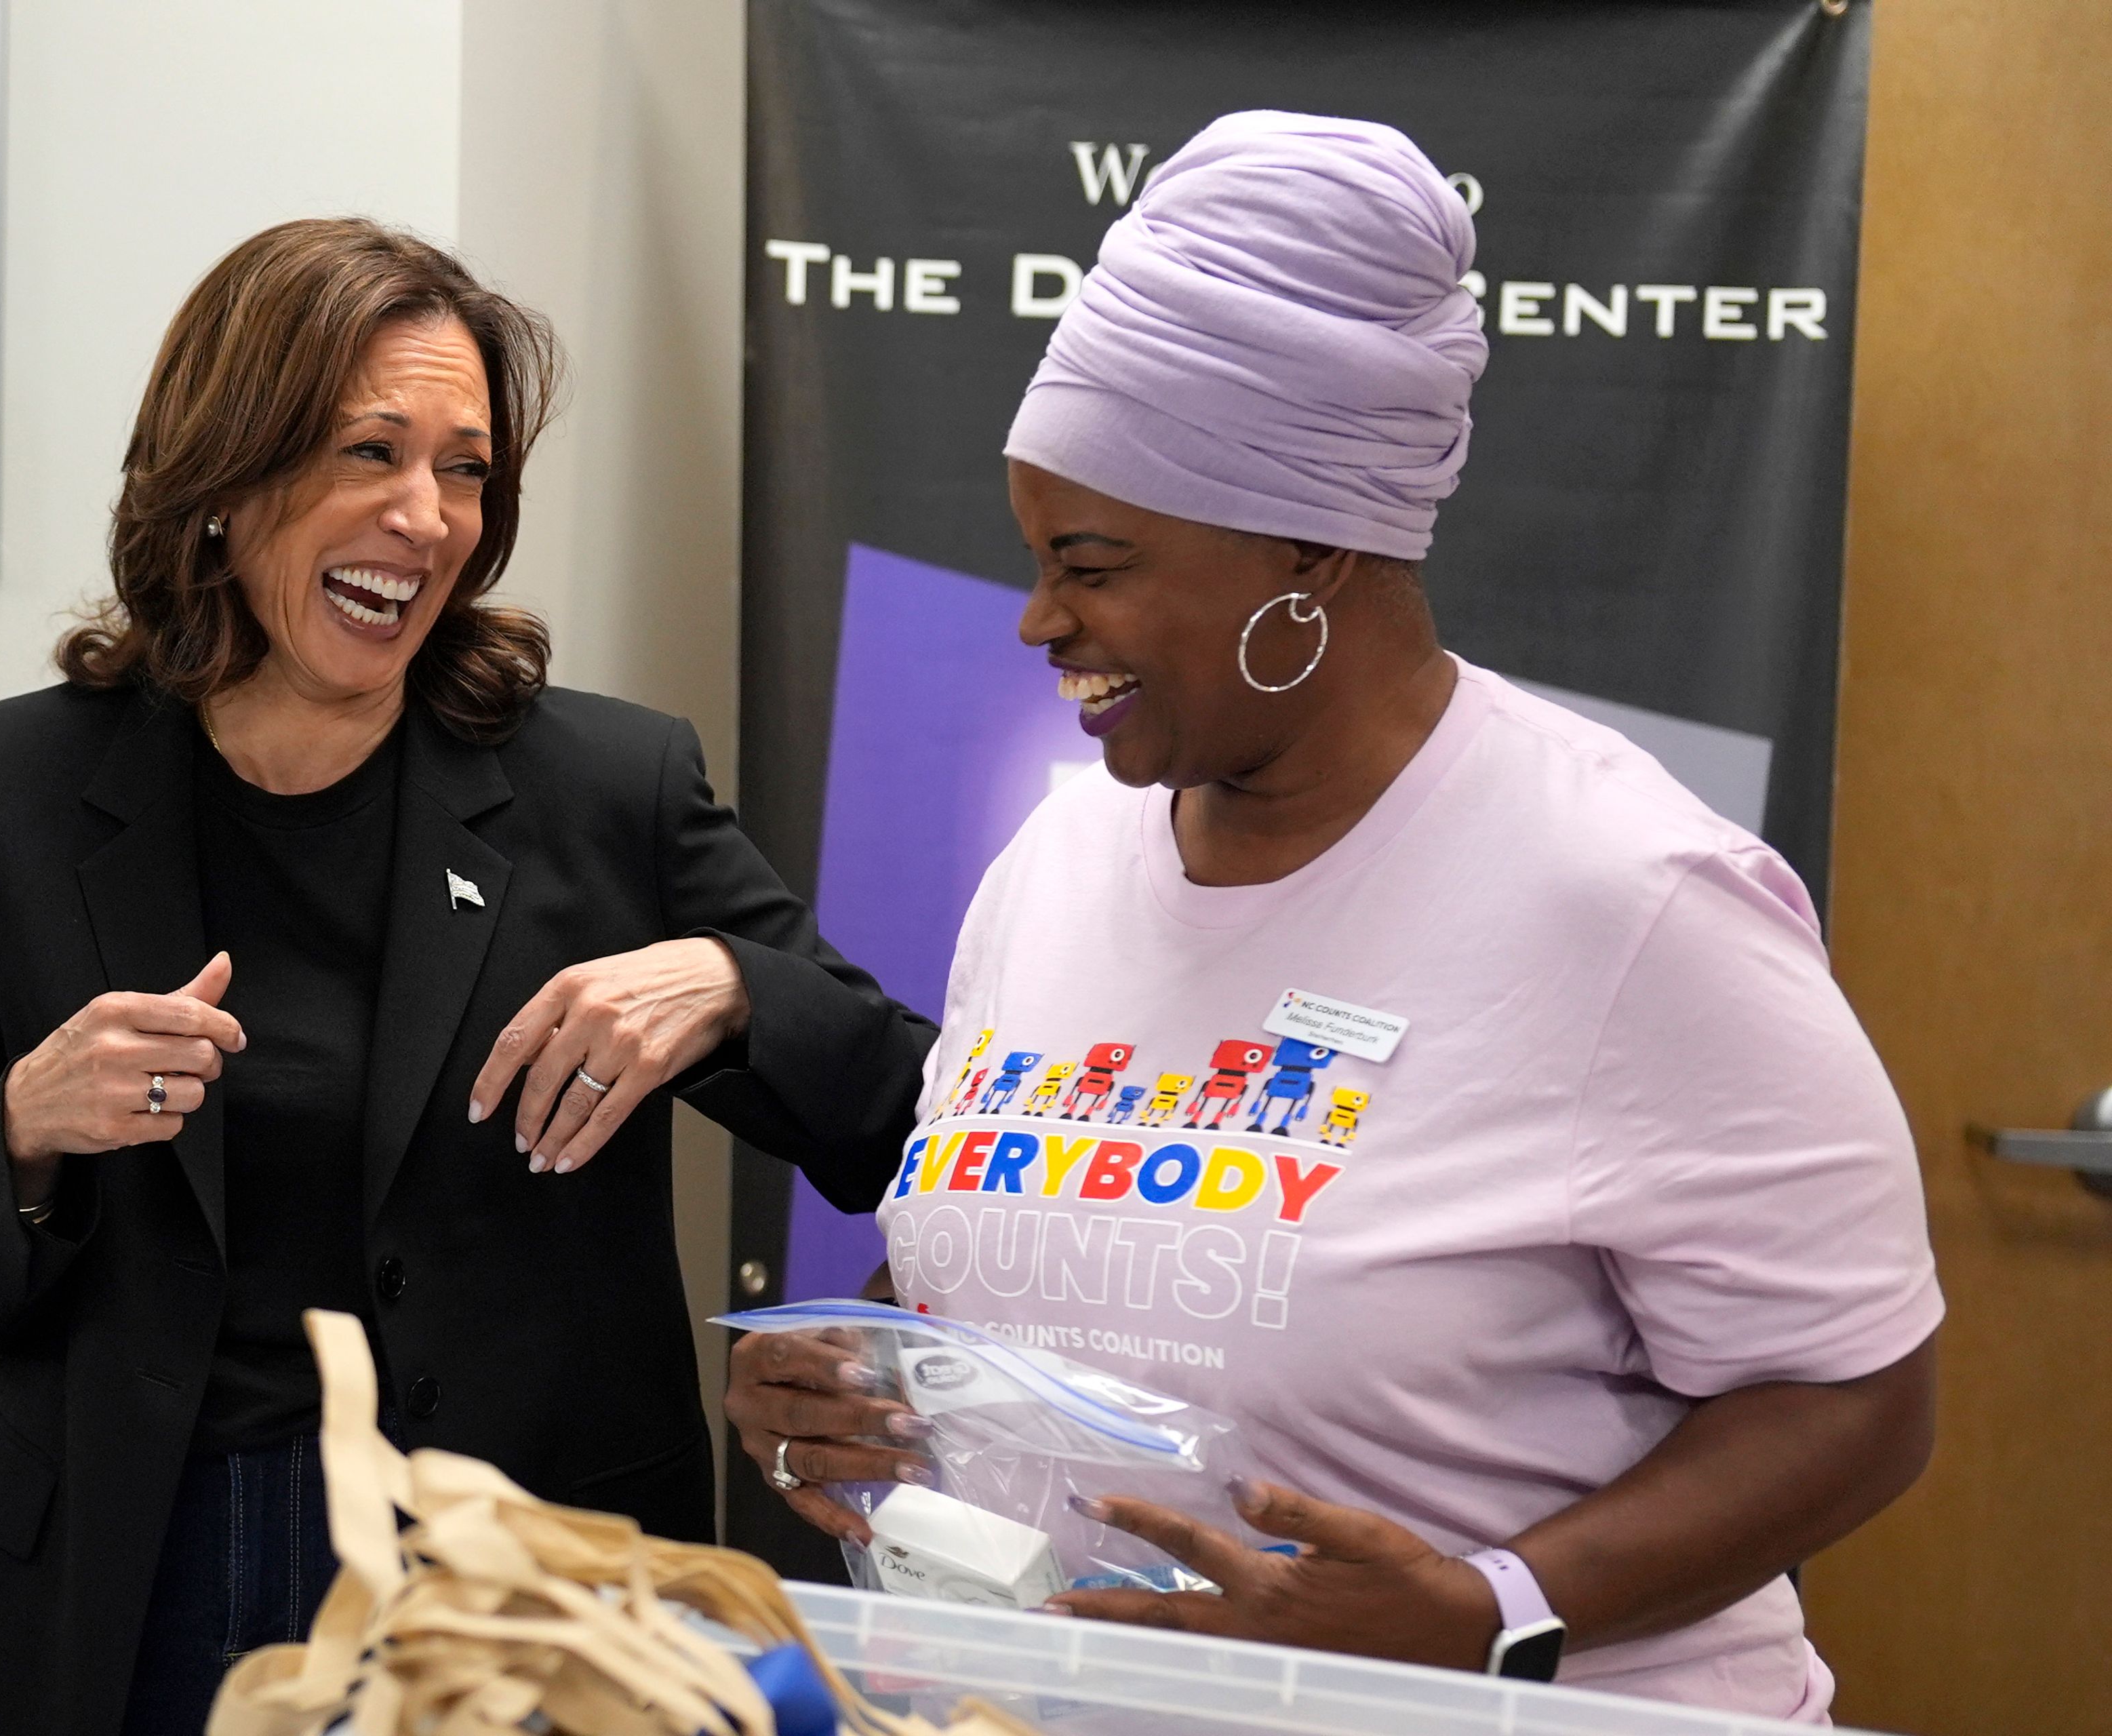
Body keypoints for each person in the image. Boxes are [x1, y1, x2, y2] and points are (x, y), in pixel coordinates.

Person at [723, 113, 1938, 1721]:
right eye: (1033, 557)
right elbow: (1053, 1247)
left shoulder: (1629, 897)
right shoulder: (1062, 856)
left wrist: (1491, 1608)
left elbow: (1858, 1394)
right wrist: (867, 1370)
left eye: (1091, 561)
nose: (1040, 620)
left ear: (1306, 549)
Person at [0, 218, 933, 1736]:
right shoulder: (6, 785)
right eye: (371, 451)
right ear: (222, 481)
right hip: (126, 1576)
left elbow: (907, 1109)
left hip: (517, 1581)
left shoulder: (608, 786)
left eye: (468, 469)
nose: (428, 518)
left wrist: (735, 983)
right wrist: (28, 1125)